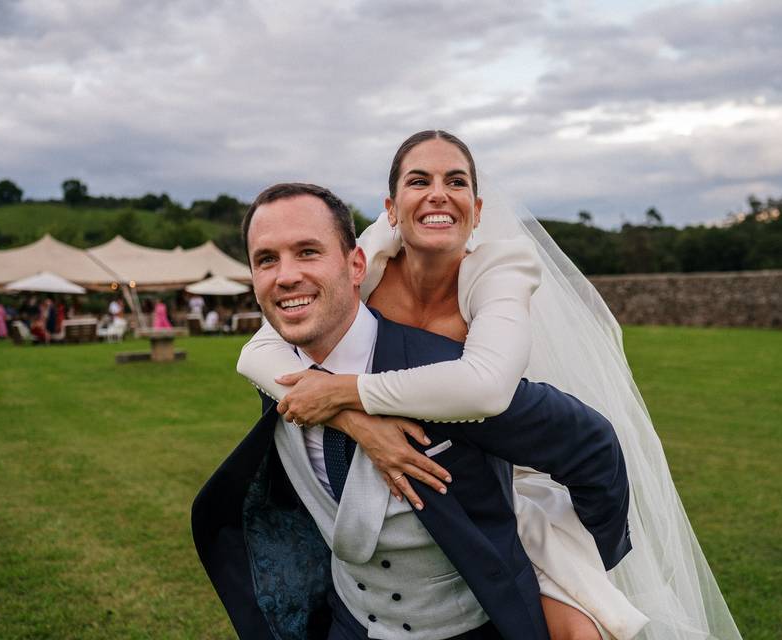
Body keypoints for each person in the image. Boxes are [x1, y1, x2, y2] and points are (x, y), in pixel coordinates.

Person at [237, 132, 741, 640]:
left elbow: (495, 394)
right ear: (390, 209)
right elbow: (257, 353)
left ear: (478, 211)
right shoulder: (328, 305)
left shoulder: (499, 271)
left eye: (455, 181)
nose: (437, 193)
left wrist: (582, 562)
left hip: (497, 484)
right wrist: (350, 415)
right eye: (419, 180)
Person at [192, 183, 632, 640]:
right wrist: (351, 418)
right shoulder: (278, 370)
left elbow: (591, 446)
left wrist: (580, 565)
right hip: (348, 624)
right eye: (267, 259)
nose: (285, 276)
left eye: (307, 252)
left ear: (356, 264)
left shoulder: (447, 372)